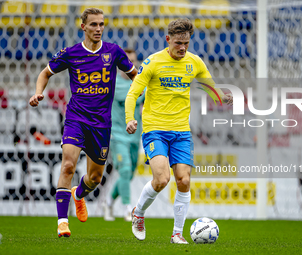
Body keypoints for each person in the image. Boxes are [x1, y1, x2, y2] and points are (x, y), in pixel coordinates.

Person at [29, 8, 137, 238]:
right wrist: (38, 93)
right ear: (83, 27)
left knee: (95, 178)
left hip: (101, 125)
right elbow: (45, 73)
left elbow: (136, 76)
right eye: (94, 25)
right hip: (76, 118)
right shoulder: (71, 53)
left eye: (101, 25)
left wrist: (144, 95)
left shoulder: (114, 52)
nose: (98, 29)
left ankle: (78, 194)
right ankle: (62, 222)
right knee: (68, 165)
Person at [125, 18, 233, 244]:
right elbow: (133, 94)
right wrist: (130, 119)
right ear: (168, 40)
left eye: (186, 43)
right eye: (178, 43)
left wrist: (221, 96)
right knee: (162, 179)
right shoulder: (153, 62)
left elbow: (209, 86)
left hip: (182, 132)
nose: (183, 47)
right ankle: (139, 213)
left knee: (183, 180)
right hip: (155, 129)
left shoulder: (194, 62)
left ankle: (177, 234)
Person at [104, 49, 144, 222]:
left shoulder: (140, 83)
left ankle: (108, 202)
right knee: (125, 170)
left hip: (135, 137)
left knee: (129, 174)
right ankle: (129, 209)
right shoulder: (112, 84)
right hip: (118, 135)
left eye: (132, 61)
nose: (129, 65)